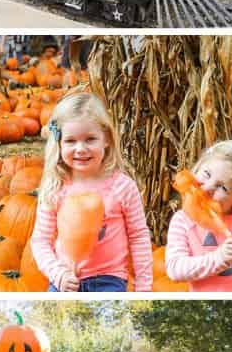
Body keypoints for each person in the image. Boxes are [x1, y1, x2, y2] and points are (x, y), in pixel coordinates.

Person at [30, 93, 153, 292]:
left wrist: (144, 287)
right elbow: (40, 240)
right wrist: (57, 273)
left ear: (106, 139)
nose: (80, 149)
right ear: (59, 143)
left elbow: (138, 236)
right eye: (70, 141)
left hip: (109, 279)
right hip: (65, 280)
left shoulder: (122, 187)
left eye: (90, 139)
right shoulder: (56, 187)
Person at [165, 141, 232, 292]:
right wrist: (219, 258)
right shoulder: (182, 221)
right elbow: (175, 269)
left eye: (223, 187)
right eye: (206, 174)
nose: (206, 188)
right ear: (198, 168)